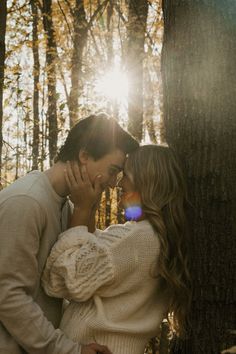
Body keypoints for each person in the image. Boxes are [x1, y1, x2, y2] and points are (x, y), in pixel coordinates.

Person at [0, 113, 138, 354]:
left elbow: (80, 272)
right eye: (112, 170)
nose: (113, 183)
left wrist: (89, 208)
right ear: (84, 155)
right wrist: (69, 350)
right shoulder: (26, 202)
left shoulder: (68, 207)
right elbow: (8, 296)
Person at [42, 145, 191, 354]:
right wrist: (91, 206)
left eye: (127, 175)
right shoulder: (156, 236)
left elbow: (61, 280)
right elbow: (93, 253)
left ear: (147, 182)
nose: (120, 183)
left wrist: (82, 209)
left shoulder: (136, 238)